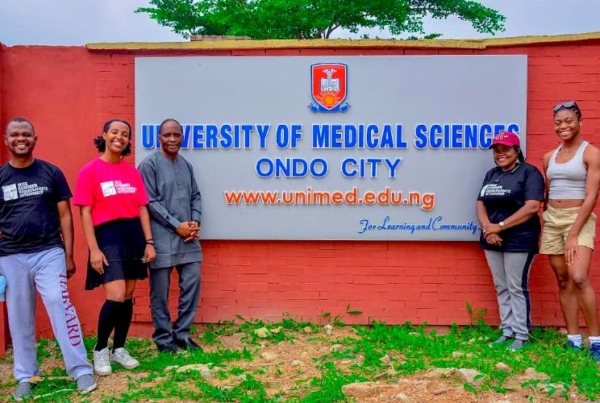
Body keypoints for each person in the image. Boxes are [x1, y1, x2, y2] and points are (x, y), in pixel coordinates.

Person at [0, 117, 96, 399]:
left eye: (26, 134)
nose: (21, 139)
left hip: (49, 251)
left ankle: (80, 369)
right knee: (18, 316)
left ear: (35, 139)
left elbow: (65, 215)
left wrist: (68, 254)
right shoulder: (1, 177)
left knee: (58, 302)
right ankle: (26, 375)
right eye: (15, 135)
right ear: (6, 141)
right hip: (11, 256)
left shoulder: (50, 173)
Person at [73, 119, 156, 375]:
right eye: (115, 132)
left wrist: (149, 242)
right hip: (107, 236)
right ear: (105, 135)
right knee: (116, 294)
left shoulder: (132, 172)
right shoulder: (90, 171)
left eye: (125, 134)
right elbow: (85, 213)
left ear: (129, 141)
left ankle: (119, 348)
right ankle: (100, 349)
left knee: (129, 294)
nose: (119, 137)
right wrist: (94, 249)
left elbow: (142, 208)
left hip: (133, 235)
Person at [540, 101, 600, 359]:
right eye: (558, 122)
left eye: (568, 121)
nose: (563, 126)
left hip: (579, 219)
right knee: (563, 280)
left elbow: (592, 196)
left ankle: (596, 341)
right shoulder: (548, 158)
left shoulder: (591, 154)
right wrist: (545, 218)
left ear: (579, 122)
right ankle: (574, 340)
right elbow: (548, 192)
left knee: (578, 276)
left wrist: (574, 232)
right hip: (553, 220)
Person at [138, 118, 203, 353]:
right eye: (167, 135)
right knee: (160, 293)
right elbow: (149, 202)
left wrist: (194, 222)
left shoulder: (185, 164)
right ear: (159, 138)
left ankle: (182, 334)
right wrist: (177, 225)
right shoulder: (149, 165)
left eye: (176, 135)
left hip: (188, 239)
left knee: (192, 284)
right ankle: (164, 339)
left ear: (182, 137)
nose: (172, 139)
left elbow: (195, 195)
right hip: (162, 238)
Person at [476, 131, 545, 350]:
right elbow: (480, 203)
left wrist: (502, 226)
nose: (500, 154)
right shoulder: (492, 174)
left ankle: (522, 335)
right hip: (492, 238)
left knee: (516, 286)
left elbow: (532, 206)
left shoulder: (530, 173)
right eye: (497, 151)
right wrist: (489, 229)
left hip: (520, 239)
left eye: (506, 149)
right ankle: (507, 331)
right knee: (501, 285)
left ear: (517, 150)